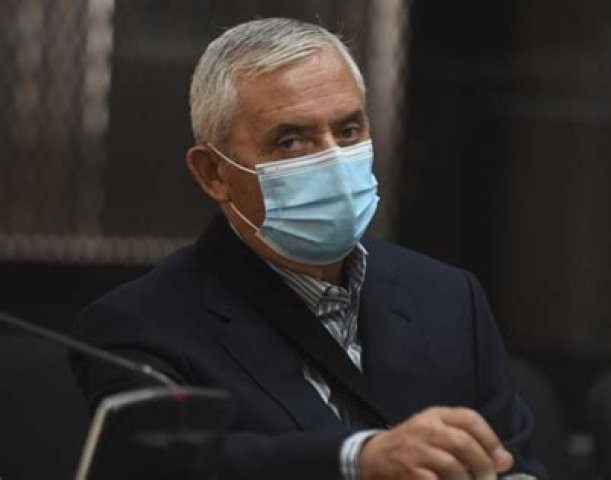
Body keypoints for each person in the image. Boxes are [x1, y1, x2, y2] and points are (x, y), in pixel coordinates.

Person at [71, 17, 546, 480]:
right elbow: (169, 468)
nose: (333, 160)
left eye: (348, 131)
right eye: (292, 141)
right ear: (214, 174)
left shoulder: (449, 297)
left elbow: (514, 461)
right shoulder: (140, 326)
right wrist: (358, 460)